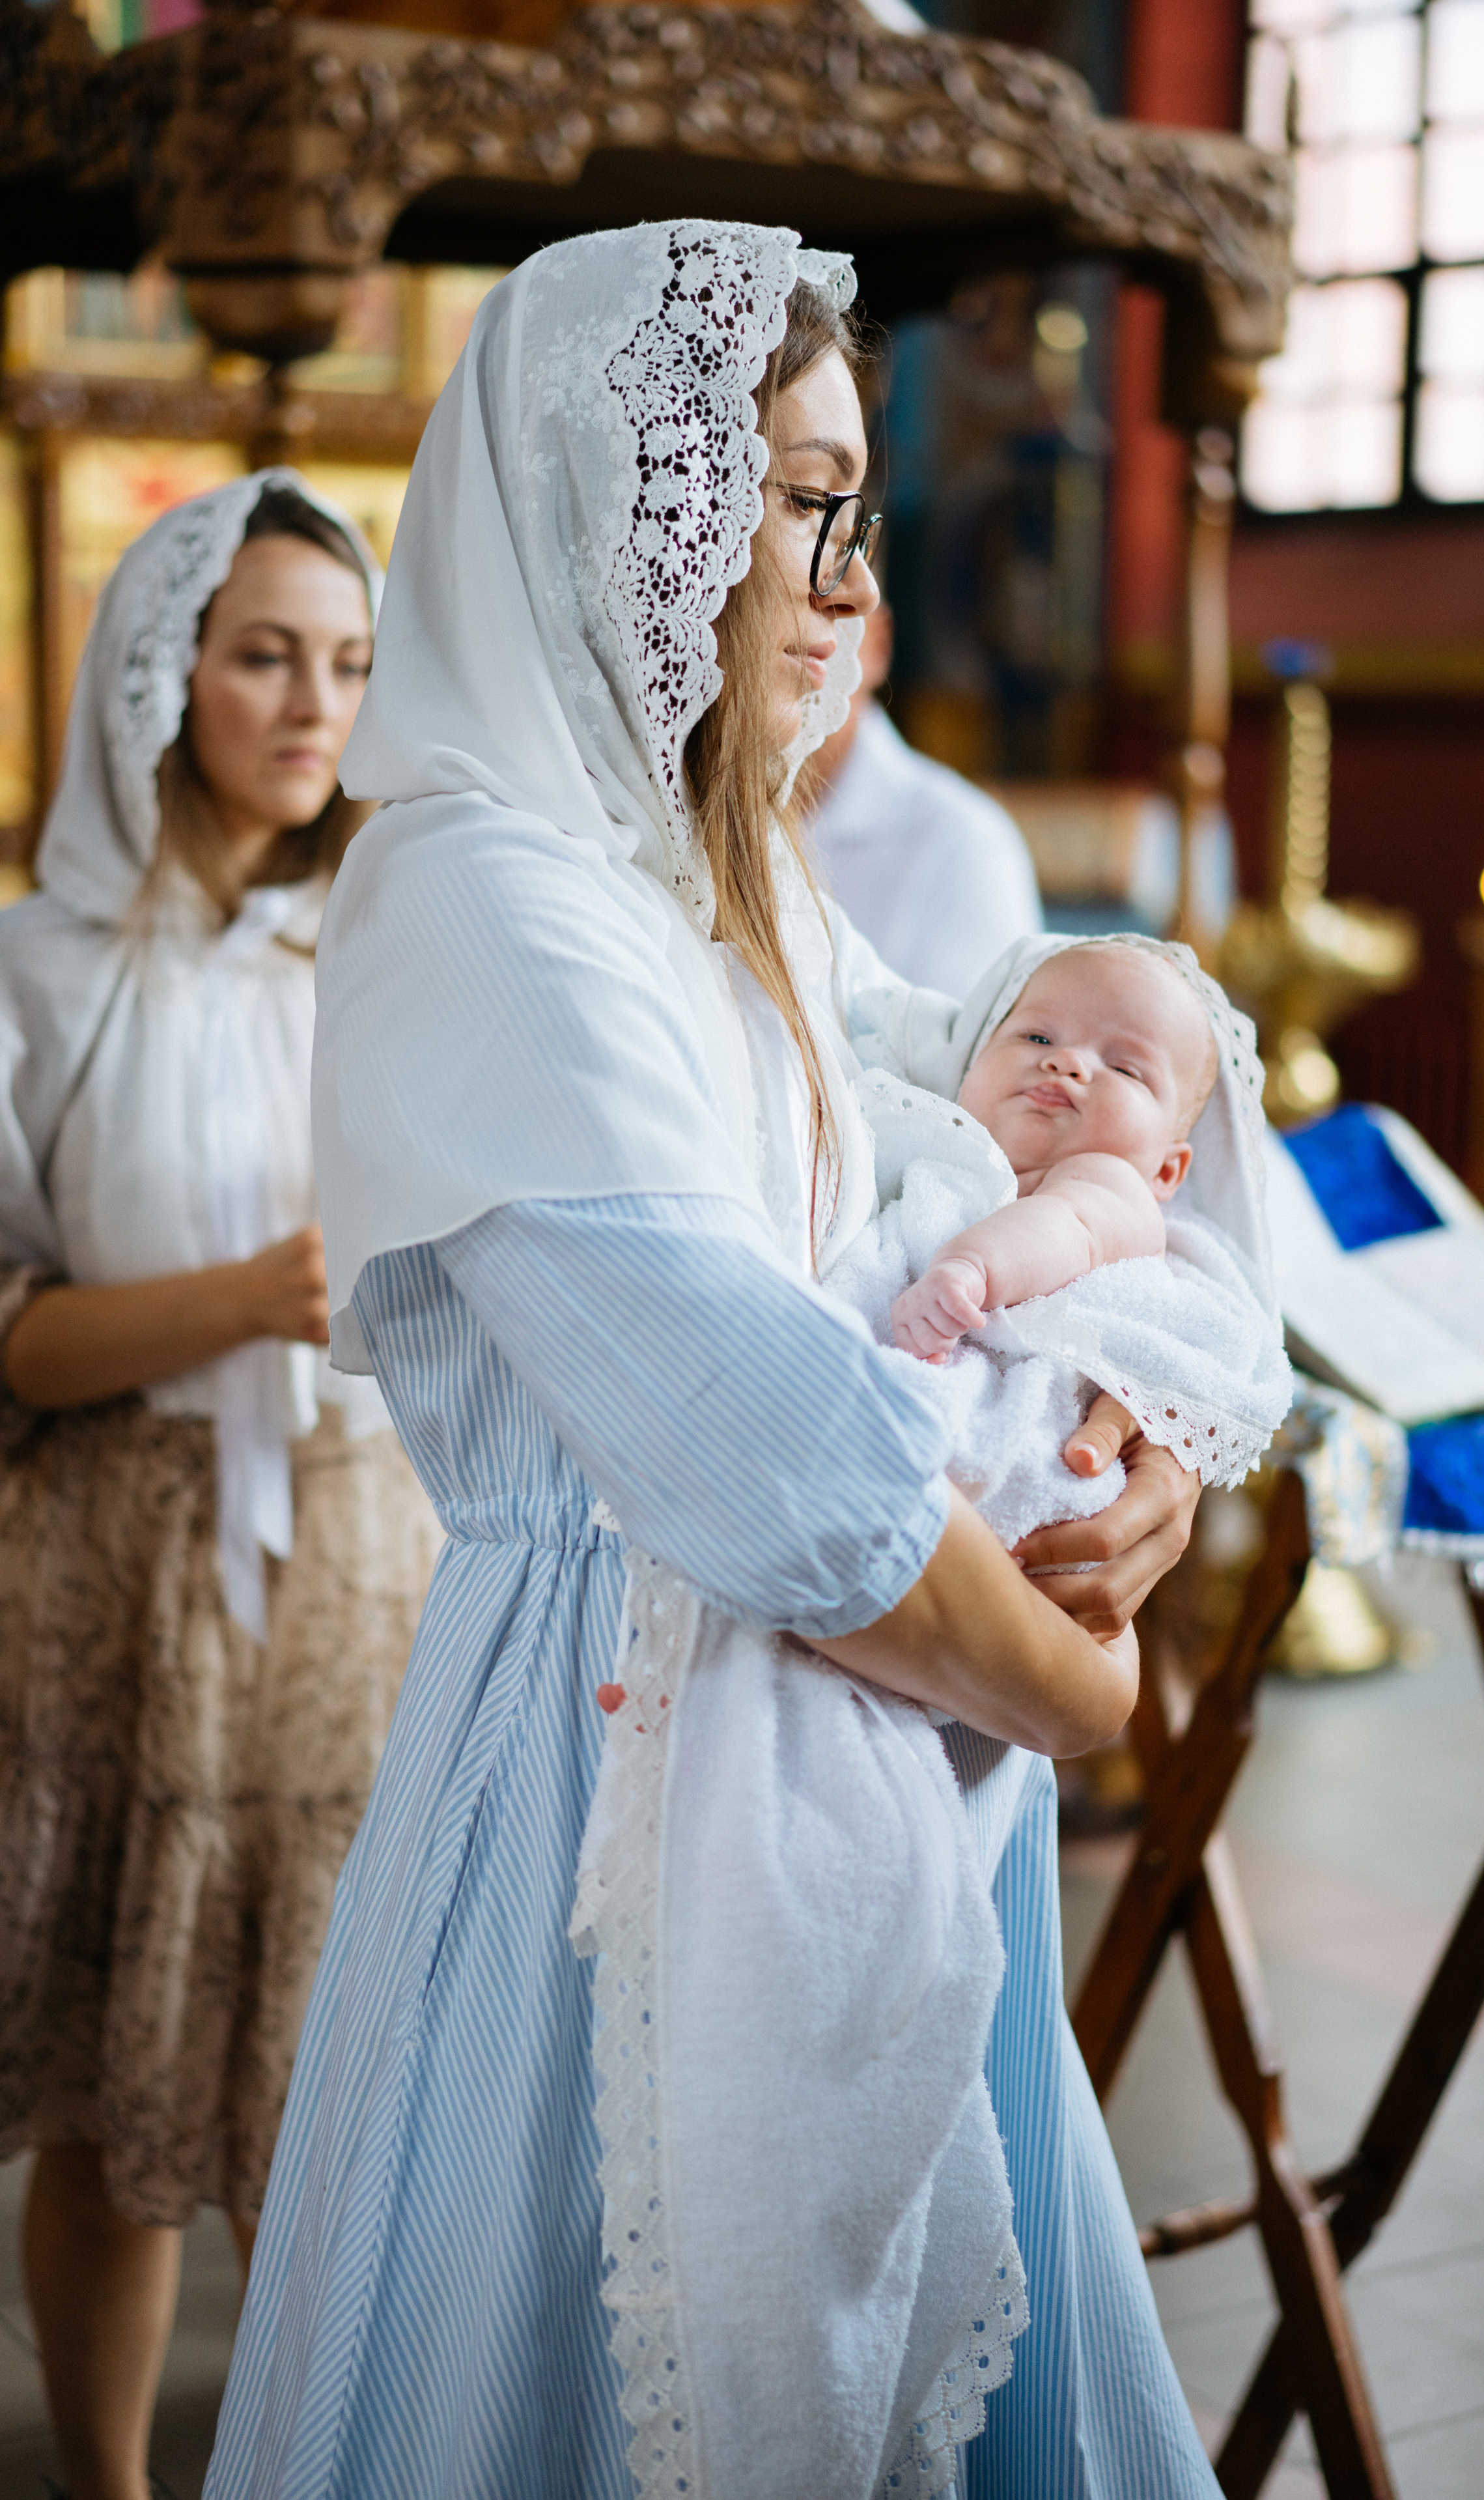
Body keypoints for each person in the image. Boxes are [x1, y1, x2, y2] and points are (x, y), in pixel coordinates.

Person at [206, 225, 1215, 2497]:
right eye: (794, 501)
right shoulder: (480, 891)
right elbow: (778, 1455)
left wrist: (1135, 1437)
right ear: (622, 499)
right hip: (612, 1780)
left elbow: (974, 1156)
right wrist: (1083, 1680)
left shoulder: (712, 863)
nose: (845, 575)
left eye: (859, 507)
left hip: (867, 1757)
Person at [0, 474, 441, 2500]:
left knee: (328, 2087)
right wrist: (250, 1297)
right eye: (263, 653)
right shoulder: (43, 969)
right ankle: (101, 2482)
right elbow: (9, 1333)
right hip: (124, 1570)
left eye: (348, 663)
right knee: (117, 2088)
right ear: (161, 672)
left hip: (367, 1566)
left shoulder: (402, 937)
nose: (311, 703)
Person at [891, 941, 1218, 1359]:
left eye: (1124, 1068)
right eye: (1038, 1037)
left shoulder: (1113, 1184)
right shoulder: (920, 1135)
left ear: (1166, 1171)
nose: (1067, 1062)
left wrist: (970, 1268)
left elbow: (1067, 1227)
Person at [802, 598, 1045, 992]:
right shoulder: (685, 821)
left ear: (879, 641)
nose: (801, 636)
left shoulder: (965, 845)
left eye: (827, 610)